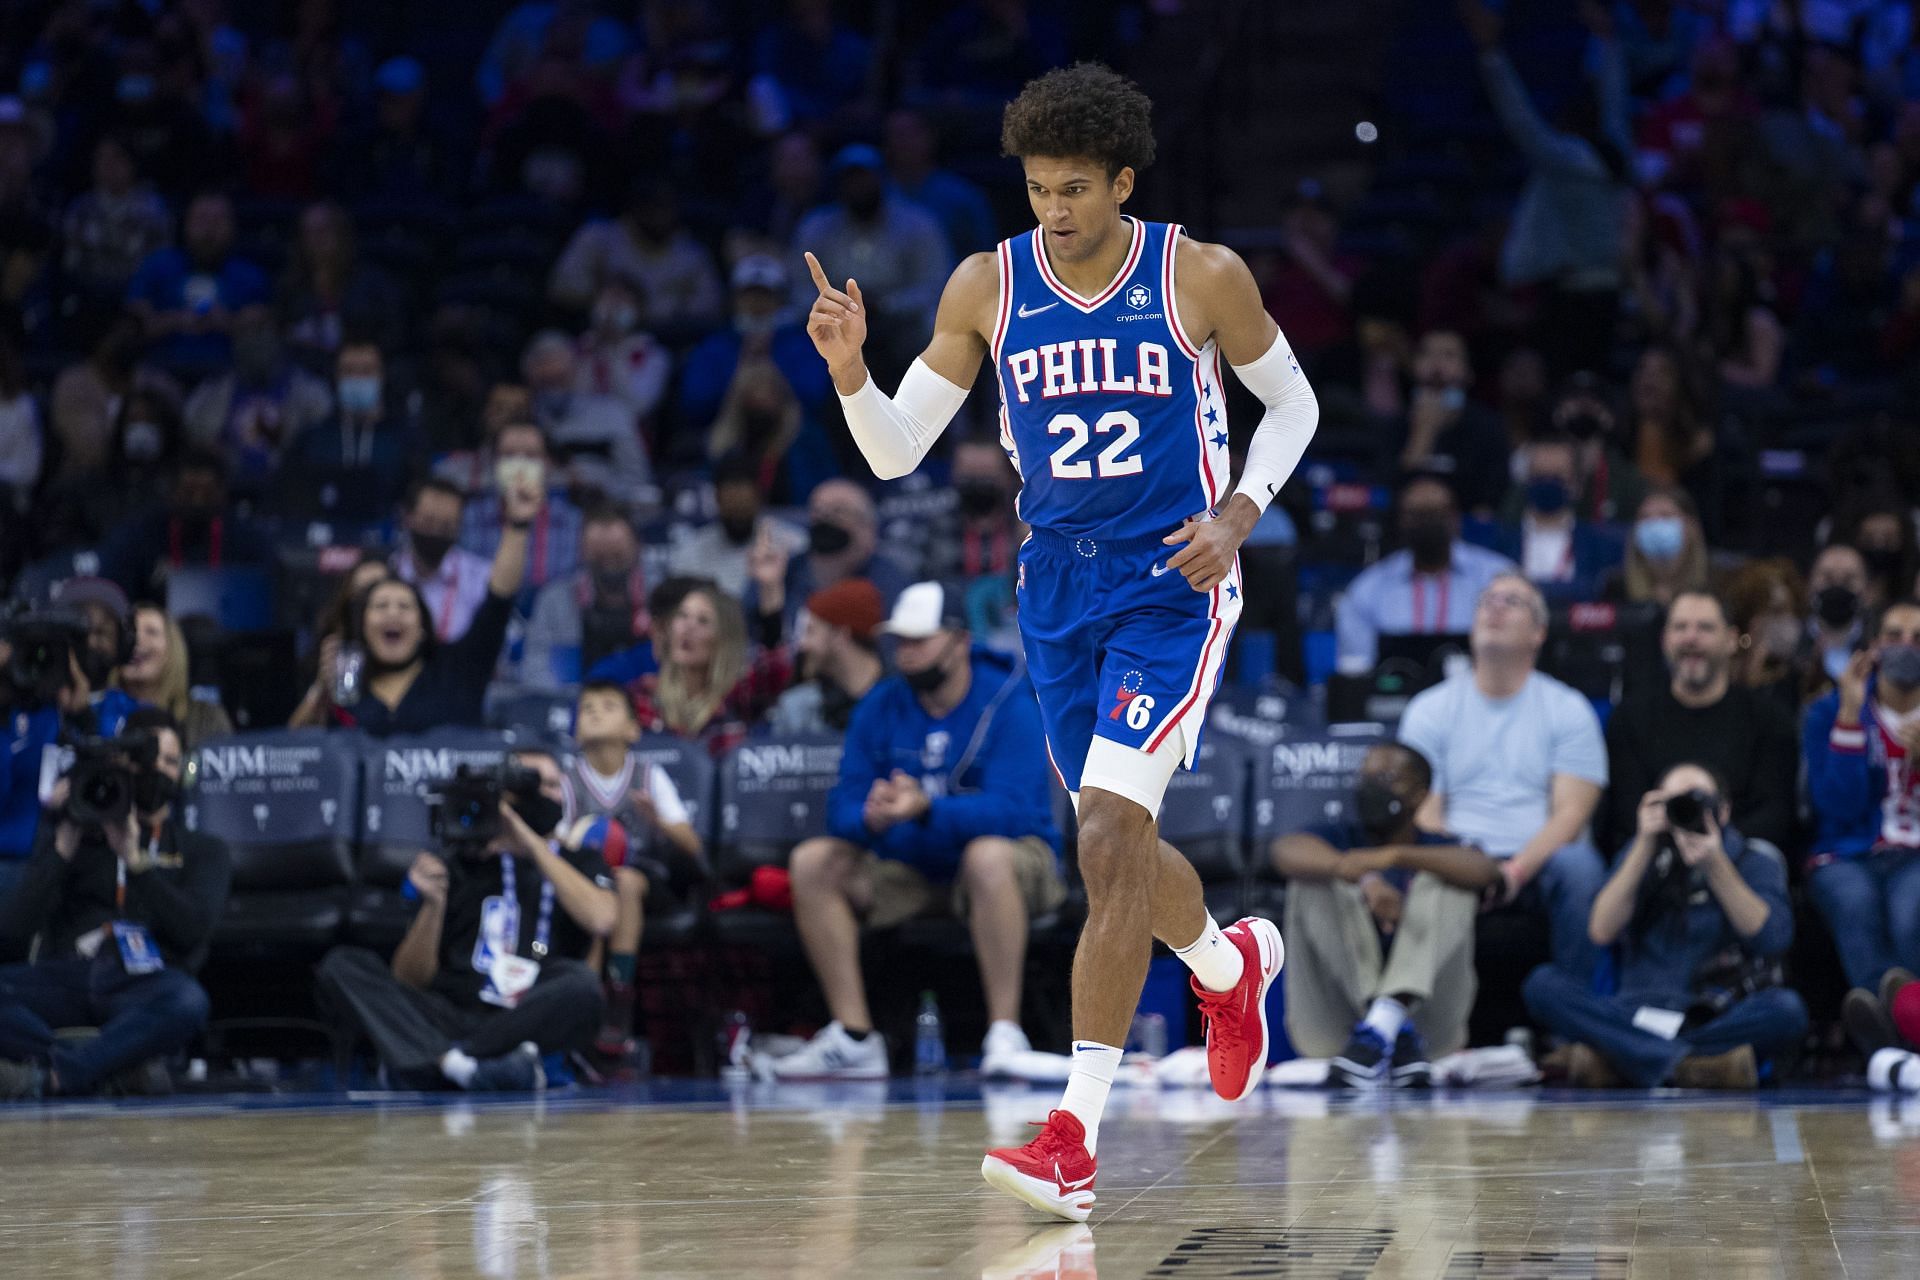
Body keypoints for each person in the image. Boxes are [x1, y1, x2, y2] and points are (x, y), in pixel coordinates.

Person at [803, 63, 1317, 1219]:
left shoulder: (1201, 273)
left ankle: (1074, 1133)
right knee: (1113, 850)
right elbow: (892, 452)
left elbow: (1296, 405)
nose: (1055, 211)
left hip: (1170, 587)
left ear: (1124, 180)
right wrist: (849, 374)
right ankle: (1232, 968)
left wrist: (1238, 514)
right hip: (1055, 597)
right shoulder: (987, 284)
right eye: (1038, 188)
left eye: (1077, 188)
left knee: (1103, 829)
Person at [774, 582, 1064, 1080]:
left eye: (919, 641)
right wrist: (872, 815)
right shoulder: (880, 706)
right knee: (814, 861)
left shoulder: (1009, 701)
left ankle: (1004, 1034)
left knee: (987, 856)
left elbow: (1017, 813)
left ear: (957, 639)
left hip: (1012, 869)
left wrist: (929, 808)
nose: (904, 654)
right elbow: (841, 807)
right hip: (910, 865)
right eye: (900, 641)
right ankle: (855, 1037)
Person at [314, 751, 614, 1091]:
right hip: (450, 1011)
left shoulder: (581, 861)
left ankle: (442, 1063)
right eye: (527, 786)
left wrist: (530, 844)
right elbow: (410, 979)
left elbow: (601, 919)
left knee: (582, 986)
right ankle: (472, 1066)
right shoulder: (457, 863)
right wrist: (433, 905)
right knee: (343, 966)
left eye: (549, 784)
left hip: (527, 1012)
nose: (541, 794)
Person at [1523, 764, 1805, 1089]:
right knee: (1542, 985)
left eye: (1696, 800)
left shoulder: (1754, 858)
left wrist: (1715, 864)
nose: (1684, 809)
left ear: (1723, 810)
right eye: (1671, 801)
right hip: (1634, 1012)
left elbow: (1772, 939)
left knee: (1787, 1010)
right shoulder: (1640, 853)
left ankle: (1623, 1061)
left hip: (1710, 1014)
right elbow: (1601, 931)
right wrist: (1644, 844)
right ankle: (1691, 1066)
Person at [0, 709, 230, 1099]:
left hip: (142, 984)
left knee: (189, 1000)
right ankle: (115, 1069)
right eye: (147, 759)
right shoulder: (76, 834)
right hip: (68, 976)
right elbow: (11, 934)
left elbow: (193, 933)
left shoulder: (204, 850)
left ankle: (50, 1076)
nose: (158, 770)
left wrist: (138, 863)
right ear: (122, 763)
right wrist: (62, 846)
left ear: (183, 773)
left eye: (170, 762)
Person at [1398, 574, 1610, 980]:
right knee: (1419, 866)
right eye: (1487, 599)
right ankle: (1426, 1026)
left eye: (1512, 601)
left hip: (1540, 860)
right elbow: (1426, 813)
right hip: (1459, 853)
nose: (1495, 607)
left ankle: (1570, 1020)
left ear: (1539, 632)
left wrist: (1514, 871)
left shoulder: (1568, 708)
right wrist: (1464, 865)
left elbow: (1571, 817)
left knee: (1581, 866)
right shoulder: (1430, 709)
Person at [1270, 742, 1500, 1087]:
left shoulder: (1435, 846)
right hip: (1336, 1033)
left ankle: (1385, 1021)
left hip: (1427, 1035)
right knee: (1316, 879)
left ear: (1420, 796)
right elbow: (1283, 852)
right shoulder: (1338, 836)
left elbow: (1485, 871)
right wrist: (1361, 875)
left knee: (1447, 883)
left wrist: (1394, 857)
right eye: (1364, 777)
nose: (1369, 786)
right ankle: (1378, 1028)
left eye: (1386, 777)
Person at [289, 473, 539, 736]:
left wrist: (518, 525)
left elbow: (498, 602)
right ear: (362, 625)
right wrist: (320, 688)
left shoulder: (457, 671)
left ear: (423, 626)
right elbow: (301, 755)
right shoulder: (347, 683)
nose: (393, 614)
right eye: (381, 606)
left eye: (405, 607)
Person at [1460, 0, 1632, 377]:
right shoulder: (1617, 151)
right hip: (1610, 293)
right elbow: (1616, 103)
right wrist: (1607, 41)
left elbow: (1520, 120)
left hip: (1575, 300)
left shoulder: (1567, 160)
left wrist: (1491, 53)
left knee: (1570, 388)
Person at [562, 683, 702, 1061]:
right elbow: (556, 847)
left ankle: (618, 997)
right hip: (590, 885)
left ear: (632, 730)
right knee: (591, 893)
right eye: (587, 708)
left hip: (648, 884)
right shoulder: (566, 782)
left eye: (608, 706)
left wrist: (657, 820)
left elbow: (692, 845)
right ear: (576, 731)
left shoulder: (649, 776)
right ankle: (586, 1001)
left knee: (622, 881)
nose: (594, 713)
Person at [1602, 591, 1800, 852]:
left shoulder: (1770, 720)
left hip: (1740, 854)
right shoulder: (1628, 719)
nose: (1691, 638)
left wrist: (1710, 846)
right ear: (1664, 640)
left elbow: (1775, 816)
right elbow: (1624, 815)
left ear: (1731, 640)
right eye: (1680, 627)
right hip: (1652, 852)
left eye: (1705, 628)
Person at [1804, 599, 1920, 991]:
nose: (1906, 645)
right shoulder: (1828, 712)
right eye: (1894, 636)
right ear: (1874, 645)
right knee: (1855, 904)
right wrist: (1850, 721)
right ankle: (1894, 1029)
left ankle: (1893, 1032)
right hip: (1846, 852)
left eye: (1918, 638)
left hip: (1916, 855)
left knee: (1909, 912)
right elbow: (1837, 805)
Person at [676, 253, 838, 499]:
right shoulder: (717, 345)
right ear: (735, 298)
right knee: (718, 440)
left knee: (809, 435)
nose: (757, 303)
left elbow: (815, 394)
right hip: (728, 424)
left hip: (791, 427)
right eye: (749, 294)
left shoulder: (802, 342)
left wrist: (770, 375)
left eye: (765, 295)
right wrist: (740, 378)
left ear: (780, 299)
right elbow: (694, 401)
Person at [794, 144, 953, 375]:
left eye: (865, 178)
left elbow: (935, 285)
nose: (858, 187)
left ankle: (945, 405)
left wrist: (887, 305)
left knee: (934, 324)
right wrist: (832, 310)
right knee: (792, 330)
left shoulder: (918, 224)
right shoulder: (816, 227)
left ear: (882, 179)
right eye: (851, 180)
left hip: (901, 323)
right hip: (833, 322)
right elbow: (798, 288)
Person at [1335, 473, 1516, 674]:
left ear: (1455, 517)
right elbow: (1356, 670)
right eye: (1418, 515)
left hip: (1484, 698)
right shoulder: (1369, 588)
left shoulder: (1498, 577)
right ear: (1402, 521)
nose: (1428, 524)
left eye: (1436, 513)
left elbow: (1517, 653)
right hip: (1395, 701)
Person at [624, 581, 794, 759]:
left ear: (725, 639)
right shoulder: (642, 694)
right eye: (682, 616)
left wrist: (770, 590)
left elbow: (776, 670)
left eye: (703, 621)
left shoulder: (739, 694)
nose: (688, 627)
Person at [182, 305, 333, 487]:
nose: (254, 338)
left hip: (291, 488)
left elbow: (319, 438)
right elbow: (196, 436)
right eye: (245, 330)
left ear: (277, 333)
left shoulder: (310, 390)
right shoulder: (213, 392)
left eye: (261, 329)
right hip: (228, 489)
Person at [547, 178, 724, 333]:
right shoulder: (600, 236)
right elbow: (562, 287)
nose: (661, 217)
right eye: (653, 208)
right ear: (636, 208)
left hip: (664, 345)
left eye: (667, 208)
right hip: (597, 336)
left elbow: (708, 309)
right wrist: (609, 301)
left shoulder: (691, 253)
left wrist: (646, 311)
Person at [124, 190, 269, 377]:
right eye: (201, 220)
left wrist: (227, 323)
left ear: (232, 227)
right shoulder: (156, 266)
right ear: (186, 224)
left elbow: (263, 337)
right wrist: (175, 320)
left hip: (229, 378)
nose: (209, 230)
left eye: (217, 221)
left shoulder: (251, 276)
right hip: (159, 373)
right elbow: (131, 327)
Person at [97, 449, 270, 601]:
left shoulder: (246, 539)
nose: (198, 501)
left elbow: (268, 597)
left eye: (207, 493)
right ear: (171, 493)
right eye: (189, 493)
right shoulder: (138, 535)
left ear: (223, 495)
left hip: (232, 634)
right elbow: (113, 596)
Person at [1472, 433, 1623, 604]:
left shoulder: (1603, 546)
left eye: (1557, 477)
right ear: (1526, 480)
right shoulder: (1496, 543)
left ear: (1578, 485)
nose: (1547, 483)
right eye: (1539, 476)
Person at [748, 478, 911, 631]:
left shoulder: (889, 580)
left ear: (868, 528)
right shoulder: (782, 571)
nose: (825, 518)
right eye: (818, 510)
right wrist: (770, 590)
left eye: (838, 511)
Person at [280, 339, 415, 517]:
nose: (358, 378)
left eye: (366, 371)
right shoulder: (313, 438)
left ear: (382, 376)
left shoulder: (403, 439)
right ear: (337, 377)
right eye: (349, 371)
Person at [520, 507, 650, 689]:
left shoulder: (659, 597)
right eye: (599, 556)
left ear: (638, 547)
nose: (609, 564)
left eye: (617, 555)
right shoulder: (556, 599)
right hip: (576, 704)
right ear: (582, 552)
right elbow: (536, 669)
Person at [521, 330, 653, 507]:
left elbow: (638, 481)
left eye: (560, 370)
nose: (551, 371)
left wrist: (594, 485)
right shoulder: (518, 419)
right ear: (529, 374)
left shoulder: (612, 414)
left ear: (575, 369)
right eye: (542, 365)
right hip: (534, 515)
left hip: (600, 513)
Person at [1388, 328, 1511, 516]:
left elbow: (1492, 496)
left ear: (1468, 372)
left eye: (1449, 355)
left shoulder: (1488, 426)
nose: (1436, 365)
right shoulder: (1394, 425)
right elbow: (1387, 491)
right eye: (1426, 353)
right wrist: (1423, 433)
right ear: (1413, 367)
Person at [458, 422, 584, 595]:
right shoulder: (469, 517)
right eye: (509, 455)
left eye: (531, 456)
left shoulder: (574, 521)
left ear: (548, 463)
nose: (520, 465)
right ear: (494, 461)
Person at [667, 453, 806, 600]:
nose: (738, 517)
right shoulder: (691, 553)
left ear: (759, 498)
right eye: (731, 510)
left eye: (743, 510)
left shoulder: (794, 544)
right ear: (717, 500)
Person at [769, 579, 887, 734]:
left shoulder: (905, 703)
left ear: (841, 635)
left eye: (810, 631)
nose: (802, 644)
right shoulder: (797, 709)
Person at [116, 604, 233, 751]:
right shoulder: (97, 712)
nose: (136, 639)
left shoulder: (206, 718)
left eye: (151, 632)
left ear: (173, 650)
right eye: (130, 631)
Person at [391, 479, 493, 645]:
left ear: (459, 527)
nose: (436, 532)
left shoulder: (481, 577)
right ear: (408, 518)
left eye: (446, 526)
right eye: (428, 522)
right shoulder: (388, 570)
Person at [574, 276, 670, 431]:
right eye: (607, 300)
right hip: (579, 432)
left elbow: (638, 407)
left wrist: (615, 350)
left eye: (622, 301)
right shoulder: (578, 349)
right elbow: (571, 402)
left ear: (639, 311)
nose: (613, 309)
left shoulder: (653, 356)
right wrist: (594, 353)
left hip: (628, 438)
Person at [1615, 487, 1709, 608]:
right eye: (1645, 517)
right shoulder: (1617, 587)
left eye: (1666, 516)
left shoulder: (1717, 582)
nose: (1654, 525)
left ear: (1691, 526)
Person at [1807, 543, 1872, 698]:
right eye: (1827, 578)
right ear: (1809, 584)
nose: (1837, 587)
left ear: (1867, 589)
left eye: (1848, 580)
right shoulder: (1791, 645)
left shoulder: (1876, 645)